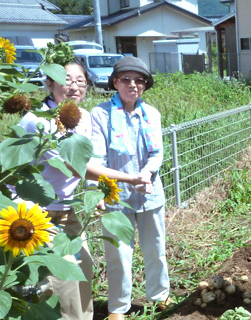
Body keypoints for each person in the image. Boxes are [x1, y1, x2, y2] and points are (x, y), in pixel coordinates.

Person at [15, 58, 151, 320]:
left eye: (80, 81)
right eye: (67, 80)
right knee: (60, 280)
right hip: (31, 212)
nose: (75, 87)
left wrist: (95, 192)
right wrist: (130, 178)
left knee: (83, 269)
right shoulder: (38, 121)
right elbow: (77, 166)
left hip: (65, 209)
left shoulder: (83, 118)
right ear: (49, 83)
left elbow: (92, 159)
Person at [89, 56, 171, 320]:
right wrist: (97, 191)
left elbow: (157, 153)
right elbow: (97, 158)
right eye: (126, 79)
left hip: (149, 193)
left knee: (155, 249)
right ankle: (118, 307)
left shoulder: (152, 114)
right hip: (116, 197)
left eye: (139, 80)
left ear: (145, 85)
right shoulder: (100, 114)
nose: (133, 85)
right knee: (118, 254)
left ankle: (160, 296)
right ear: (115, 82)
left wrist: (147, 173)